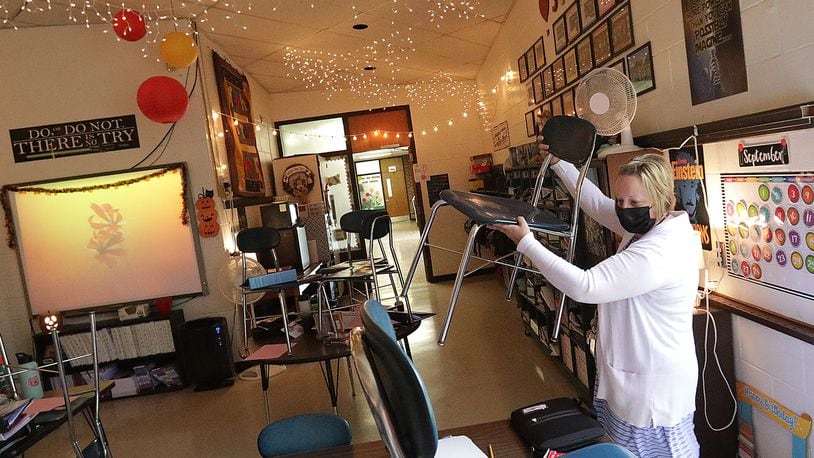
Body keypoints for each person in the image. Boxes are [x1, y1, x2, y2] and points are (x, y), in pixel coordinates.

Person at [490, 147, 701, 457]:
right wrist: (562, 163)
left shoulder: (659, 251)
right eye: (621, 200)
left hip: (651, 394)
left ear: (661, 200)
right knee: (621, 451)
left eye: (634, 203)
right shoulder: (648, 226)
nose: (624, 208)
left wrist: (526, 244)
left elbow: (585, 286)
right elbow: (596, 204)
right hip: (629, 377)